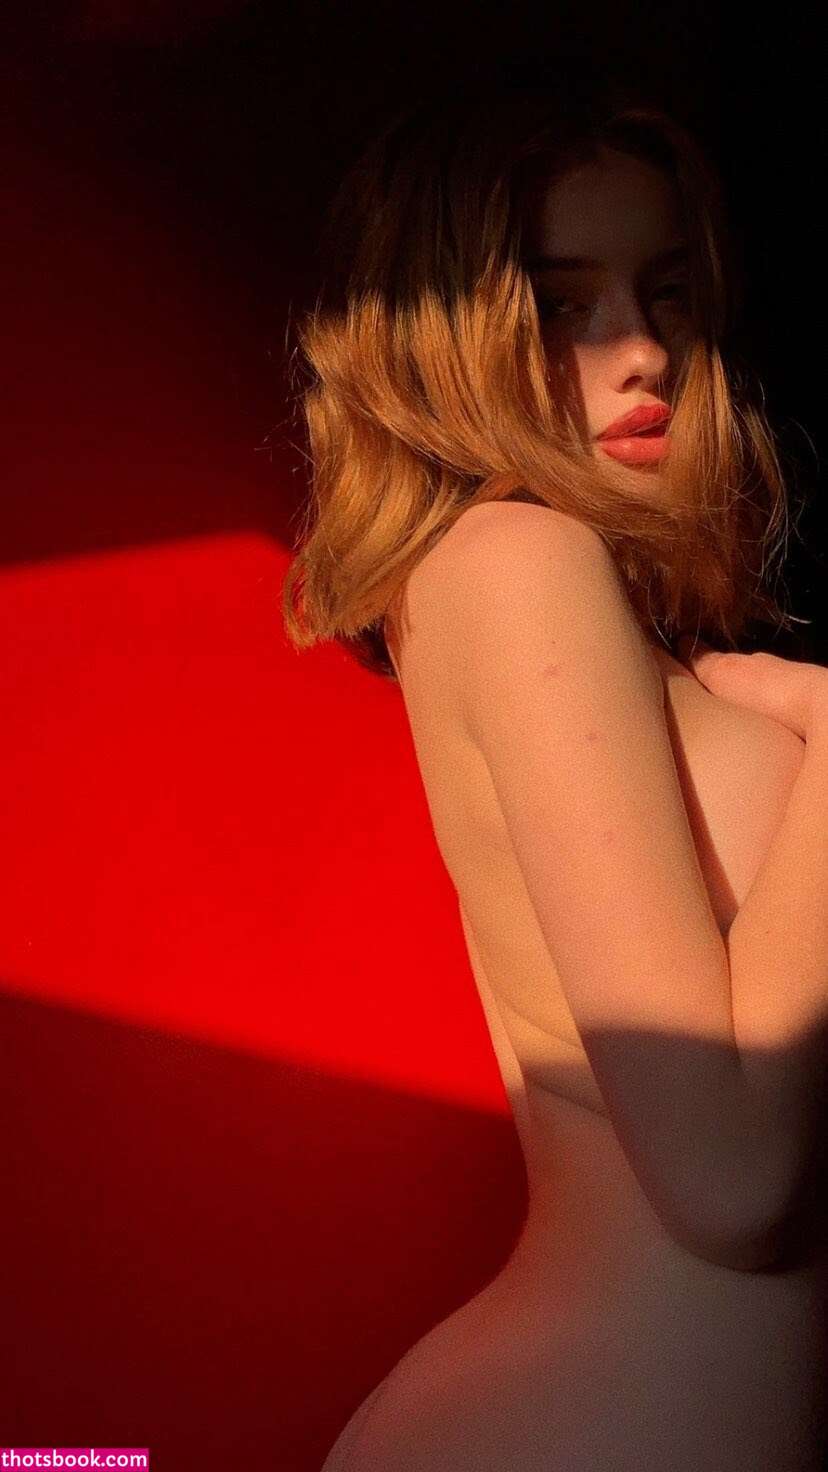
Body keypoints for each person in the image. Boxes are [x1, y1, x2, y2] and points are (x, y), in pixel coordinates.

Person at [283, 62, 828, 1471]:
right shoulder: (517, 561)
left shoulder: (619, 626)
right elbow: (732, 1185)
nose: (643, 352)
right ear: (442, 342)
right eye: (561, 306)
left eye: (668, 292)